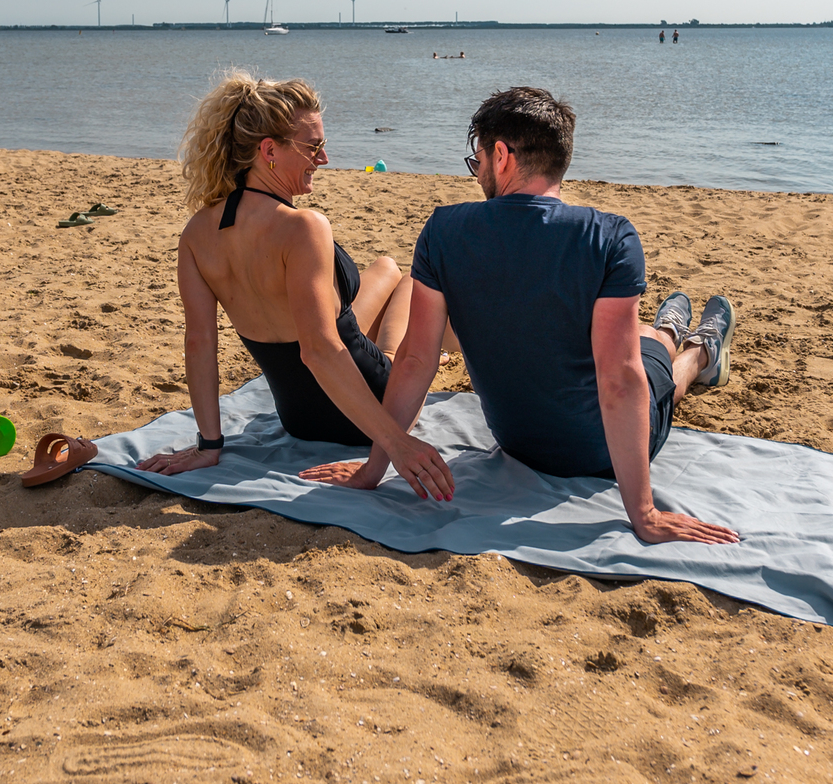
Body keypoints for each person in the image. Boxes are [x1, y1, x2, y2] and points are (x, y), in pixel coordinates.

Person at [304, 86, 740, 545]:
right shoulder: (610, 236)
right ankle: (696, 349)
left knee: (646, 344)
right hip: (601, 454)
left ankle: (683, 333)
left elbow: (416, 360)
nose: (476, 175)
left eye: (477, 162)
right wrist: (643, 514)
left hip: (519, 442)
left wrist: (374, 469)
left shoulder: (443, 231)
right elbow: (620, 381)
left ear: (501, 156)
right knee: (649, 348)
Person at [137, 72, 454, 501]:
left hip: (298, 419)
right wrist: (396, 443)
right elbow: (319, 351)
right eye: (313, 147)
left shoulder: (197, 233)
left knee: (384, 267)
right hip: (369, 411)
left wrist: (209, 446)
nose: (323, 158)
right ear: (269, 150)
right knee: (412, 282)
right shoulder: (303, 227)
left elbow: (199, 343)